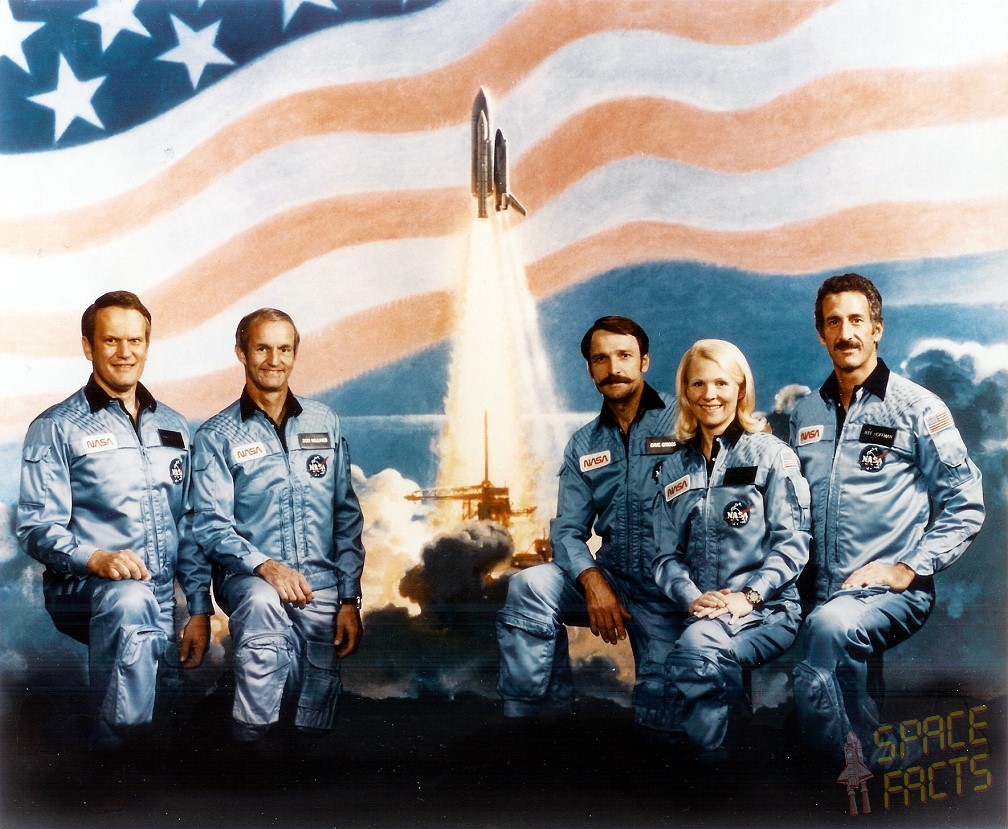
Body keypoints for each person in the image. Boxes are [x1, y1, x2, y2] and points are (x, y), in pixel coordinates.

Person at [790, 273, 985, 761]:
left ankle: (844, 772)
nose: (846, 333)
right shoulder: (806, 413)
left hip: (892, 590)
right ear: (821, 333)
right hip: (817, 588)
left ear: (877, 328)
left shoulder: (917, 408)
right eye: (833, 322)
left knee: (832, 629)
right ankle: (860, 764)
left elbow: (966, 502)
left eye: (857, 320)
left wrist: (909, 567)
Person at [17, 291, 211, 751]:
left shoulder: (175, 426)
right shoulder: (57, 426)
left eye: (135, 340)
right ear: (88, 346)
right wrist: (95, 558)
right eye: (111, 341)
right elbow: (35, 526)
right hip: (85, 590)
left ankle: (141, 761)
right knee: (129, 603)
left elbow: (191, 523)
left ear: (147, 344)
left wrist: (200, 607)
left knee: (167, 703)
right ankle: (116, 753)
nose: (125, 353)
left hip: (165, 595)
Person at [496, 316, 682, 735]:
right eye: (601, 358)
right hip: (612, 580)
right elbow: (567, 532)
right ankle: (535, 724)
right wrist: (593, 580)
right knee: (529, 586)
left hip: (670, 591)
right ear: (590, 369)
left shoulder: (683, 422)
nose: (613, 367)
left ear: (645, 361)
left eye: (624, 356)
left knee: (668, 722)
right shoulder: (585, 443)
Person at [191, 308, 365, 749]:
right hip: (249, 580)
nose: (274, 359)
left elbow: (345, 515)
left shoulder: (324, 422)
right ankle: (251, 744)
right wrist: (266, 566)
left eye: (284, 348)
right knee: (264, 617)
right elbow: (211, 525)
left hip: (322, 583)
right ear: (242, 353)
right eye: (262, 348)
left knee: (317, 701)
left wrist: (349, 598)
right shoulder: (218, 435)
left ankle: (301, 767)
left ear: (295, 353)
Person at [651, 339, 809, 753]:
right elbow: (664, 555)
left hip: (768, 611)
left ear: (741, 389)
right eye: (698, 384)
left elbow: (792, 543)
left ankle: (711, 772)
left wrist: (749, 596)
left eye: (721, 382)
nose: (710, 395)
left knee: (698, 657)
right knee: (682, 668)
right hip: (702, 612)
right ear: (685, 392)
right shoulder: (673, 467)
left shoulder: (772, 455)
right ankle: (727, 769)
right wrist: (692, 598)